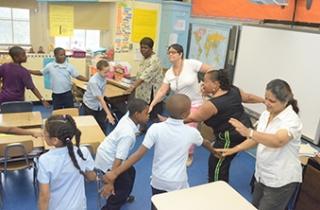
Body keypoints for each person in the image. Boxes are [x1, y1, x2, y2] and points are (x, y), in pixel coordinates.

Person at [100, 94, 217, 210]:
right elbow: (205, 143)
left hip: (158, 180)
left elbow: (138, 154)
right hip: (177, 181)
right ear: (187, 114)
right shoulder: (192, 132)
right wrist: (214, 150)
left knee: (156, 204)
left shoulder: (155, 128)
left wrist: (115, 173)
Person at [216, 79, 302, 210]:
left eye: (272, 101)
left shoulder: (292, 120)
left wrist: (249, 132)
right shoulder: (266, 114)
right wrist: (234, 149)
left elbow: (277, 141)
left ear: (285, 101)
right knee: (254, 206)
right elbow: (257, 138)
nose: (267, 103)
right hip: (262, 174)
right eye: (266, 98)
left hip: (280, 180)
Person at [184, 69, 264, 182]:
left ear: (216, 84)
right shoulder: (233, 89)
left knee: (217, 164)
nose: (202, 83)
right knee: (220, 161)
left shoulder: (212, 105)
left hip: (229, 137)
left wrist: (173, 121)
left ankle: (217, 188)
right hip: (244, 129)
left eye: (206, 81)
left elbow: (193, 118)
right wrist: (264, 101)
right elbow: (248, 97)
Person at [149, 43, 212, 166]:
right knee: (178, 129)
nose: (170, 55)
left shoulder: (191, 64)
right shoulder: (169, 73)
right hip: (180, 105)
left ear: (180, 54)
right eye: (169, 53)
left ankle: (189, 154)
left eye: (173, 52)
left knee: (189, 127)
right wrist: (152, 103)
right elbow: (162, 90)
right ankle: (179, 145)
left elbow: (211, 69)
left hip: (195, 103)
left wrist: (206, 84)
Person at [95, 98, 149, 210]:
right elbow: (118, 160)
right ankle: (111, 206)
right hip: (110, 160)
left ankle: (123, 196)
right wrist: (110, 182)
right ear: (137, 114)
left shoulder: (128, 117)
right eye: (146, 113)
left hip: (109, 151)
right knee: (122, 186)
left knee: (131, 172)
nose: (148, 116)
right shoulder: (128, 135)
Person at [38, 114, 96, 210]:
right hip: (79, 207)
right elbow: (91, 177)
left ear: (55, 140)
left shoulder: (45, 160)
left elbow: (44, 196)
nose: (43, 134)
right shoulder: (83, 152)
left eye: (45, 133)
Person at [125, 37, 164, 122]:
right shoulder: (145, 57)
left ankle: (153, 131)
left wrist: (132, 87)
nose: (143, 50)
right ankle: (143, 126)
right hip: (143, 90)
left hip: (152, 92)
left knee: (153, 115)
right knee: (144, 112)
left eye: (145, 48)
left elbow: (144, 76)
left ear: (151, 48)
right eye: (141, 47)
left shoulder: (155, 60)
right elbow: (140, 73)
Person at [82, 60, 115, 134]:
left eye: (108, 71)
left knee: (102, 126)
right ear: (98, 70)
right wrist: (109, 114)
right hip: (90, 105)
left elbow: (101, 97)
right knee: (90, 127)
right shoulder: (93, 81)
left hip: (99, 106)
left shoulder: (103, 77)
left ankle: (102, 141)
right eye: (105, 72)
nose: (107, 74)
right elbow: (100, 99)